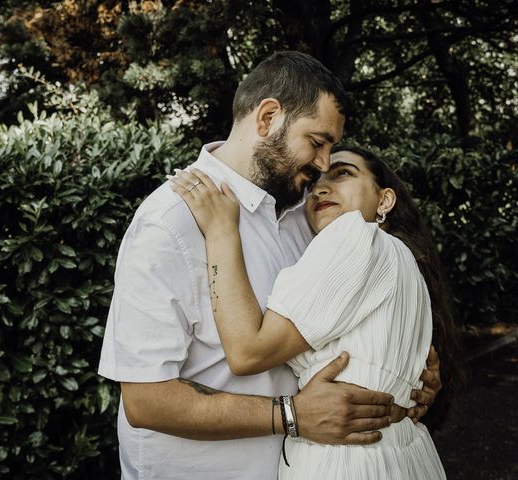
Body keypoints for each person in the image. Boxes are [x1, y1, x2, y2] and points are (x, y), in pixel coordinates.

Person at [98, 51, 442, 480]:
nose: (322, 166)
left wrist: (403, 372)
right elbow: (146, 402)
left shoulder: (313, 216)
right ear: (267, 118)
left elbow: (349, 318)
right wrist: (291, 415)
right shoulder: (169, 223)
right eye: (317, 143)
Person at [168, 145, 464, 478]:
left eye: (343, 174)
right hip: (404, 455)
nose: (320, 188)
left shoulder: (353, 235)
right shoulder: (406, 260)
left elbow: (247, 352)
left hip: (344, 461)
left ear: (384, 201)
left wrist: (221, 232)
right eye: (314, 183)